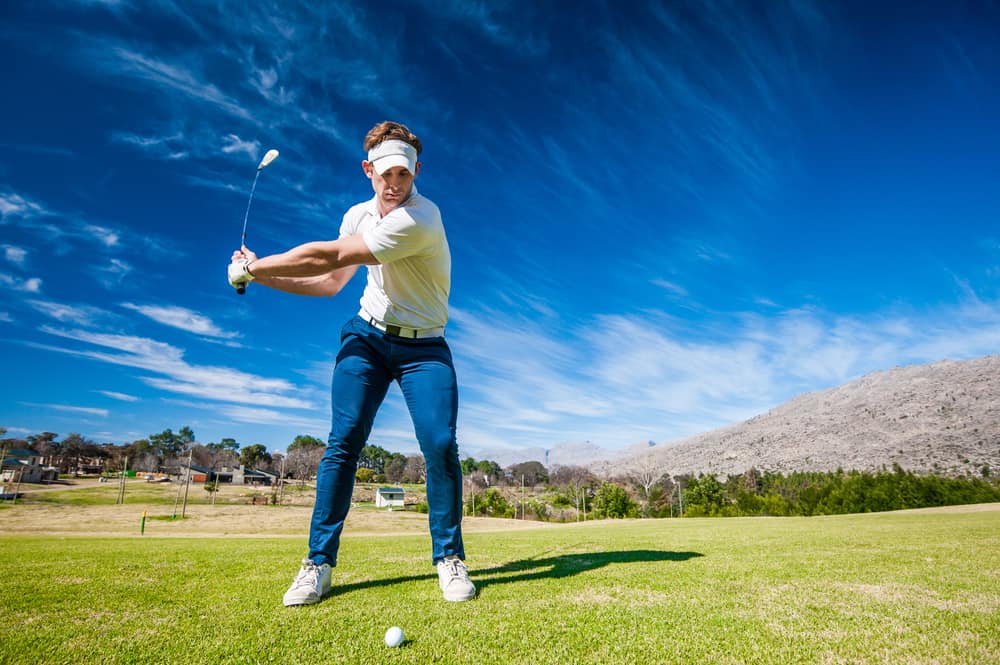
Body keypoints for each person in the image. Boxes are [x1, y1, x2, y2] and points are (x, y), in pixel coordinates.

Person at [228, 121, 474, 606]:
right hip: (366, 336)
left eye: (403, 174)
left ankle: (448, 558)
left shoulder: (422, 218)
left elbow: (333, 255)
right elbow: (328, 282)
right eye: (385, 173)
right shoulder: (357, 215)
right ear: (368, 170)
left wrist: (255, 265)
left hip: (424, 348)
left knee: (440, 443)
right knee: (343, 443)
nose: (394, 184)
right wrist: (257, 278)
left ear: (416, 171)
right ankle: (317, 565)